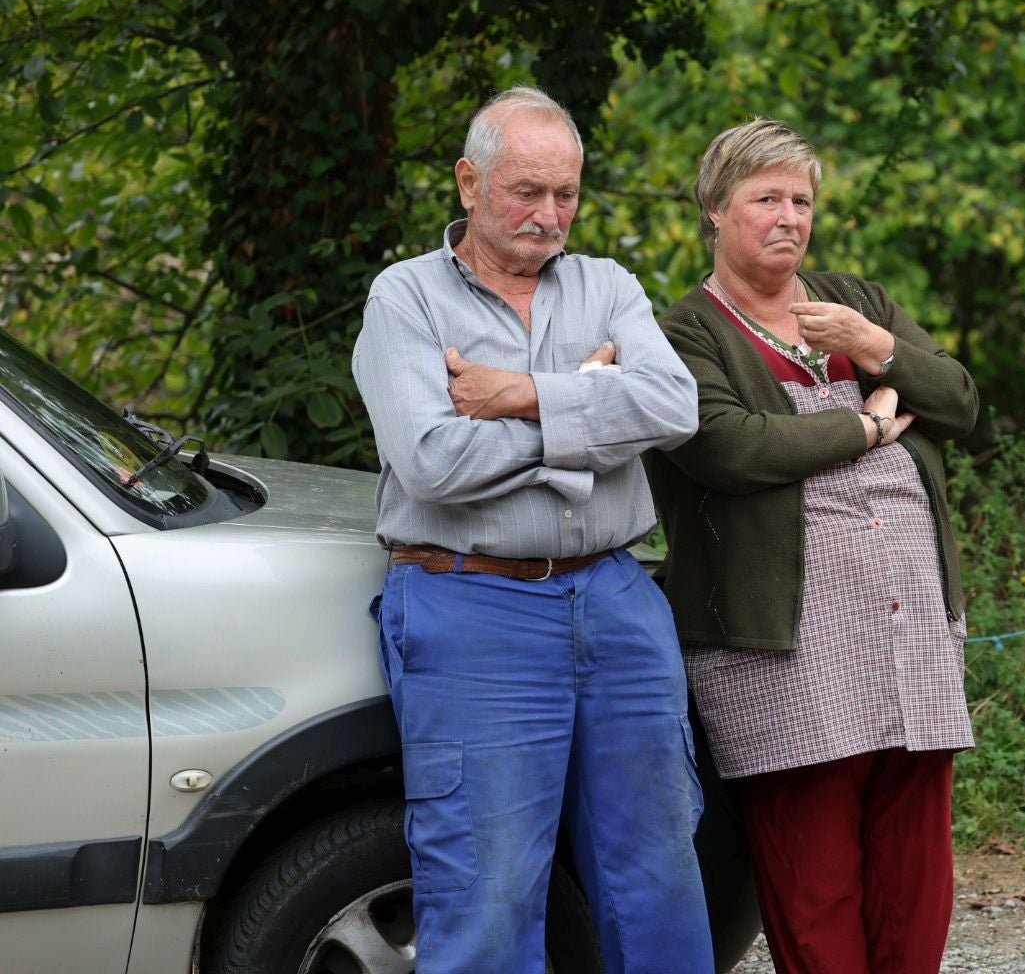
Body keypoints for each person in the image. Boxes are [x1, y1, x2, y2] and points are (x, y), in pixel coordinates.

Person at [351, 85, 713, 973]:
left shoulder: (607, 285)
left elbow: (674, 406)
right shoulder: (406, 299)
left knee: (658, 873)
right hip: (471, 597)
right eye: (526, 191)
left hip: (617, 594)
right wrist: (587, 415)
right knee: (487, 886)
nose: (549, 216)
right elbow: (433, 461)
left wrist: (519, 396)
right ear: (470, 183)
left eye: (567, 194)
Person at [646, 117, 979, 973]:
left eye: (802, 199)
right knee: (814, 880)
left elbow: (960, 405)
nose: (788, 216)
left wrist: (877, 347)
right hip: (783, 648)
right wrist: (866, 426)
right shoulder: (686, 332)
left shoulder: (856, 303)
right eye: (765, 198)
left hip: (911, 631)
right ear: (715, 211)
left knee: (916, 872)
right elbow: (729, 448)